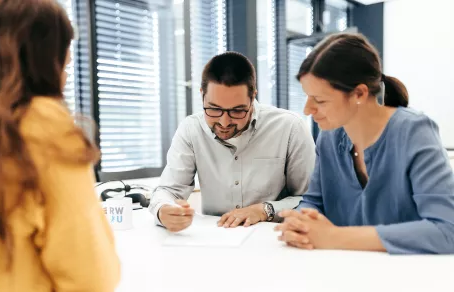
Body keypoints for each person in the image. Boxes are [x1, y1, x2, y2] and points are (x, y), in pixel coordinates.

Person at [0, 1, 120, 292]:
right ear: (44, 62)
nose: (65, 80)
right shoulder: (39, 126)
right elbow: (92, 282)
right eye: (65, 67)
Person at [275, 33, 454, 254]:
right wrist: (302, 223)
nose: (307, 110)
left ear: (359, 93)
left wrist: (334, 237)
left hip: (408, 277)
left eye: (320, 100)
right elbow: (314, 202)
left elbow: (447, 230)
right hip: (343, 272)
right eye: (308, 97)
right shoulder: (329, 136)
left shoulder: (415, 132)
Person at [149, 51, 316, 232]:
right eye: (214, 109)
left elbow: (310, 199)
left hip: (275, 241)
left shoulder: (290, 128)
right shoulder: (191, 129)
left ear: (252, 97)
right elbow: (168, 191)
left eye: (237, 111)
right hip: (216, 241)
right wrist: (163, 210)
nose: (224, 122)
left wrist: (265, 210)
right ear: (201, 94)